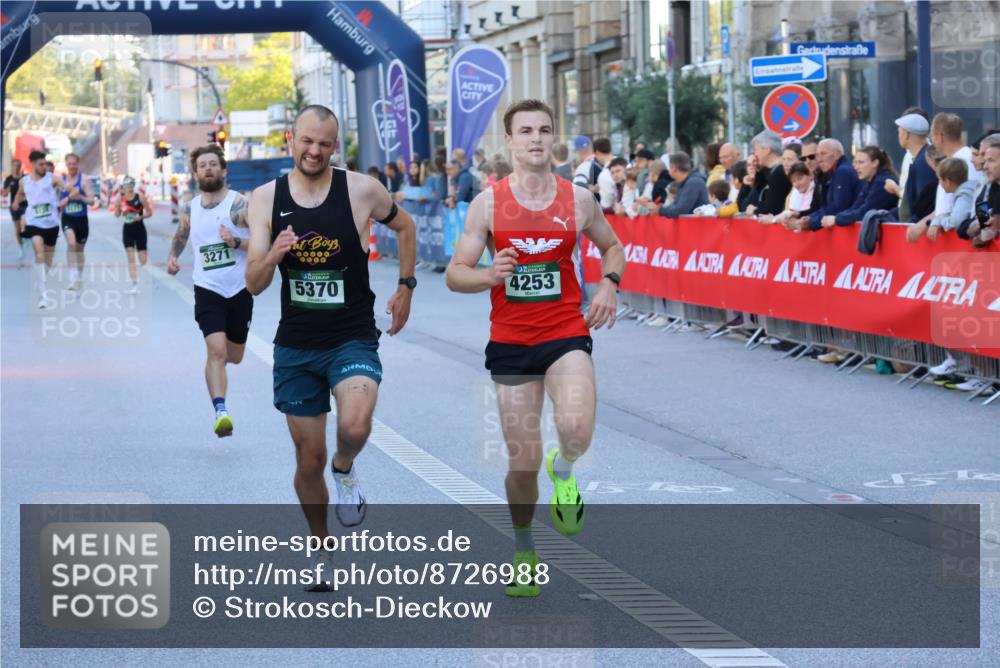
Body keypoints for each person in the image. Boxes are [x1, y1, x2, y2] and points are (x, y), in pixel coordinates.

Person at [445, 98, 624, 598]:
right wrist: (487, 274)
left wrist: (609, 283)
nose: (536, 139)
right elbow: (457, 275)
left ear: (554, 138)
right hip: (511, 342)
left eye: (544, 130)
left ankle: (563, 470)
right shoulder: (488, 204)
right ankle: (524, 550)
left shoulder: (578, 199)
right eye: (525, 131)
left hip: (565, 331)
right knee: (521, 463)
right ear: (510, 141)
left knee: (576, 428)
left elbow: (613, 245)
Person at [246, 105, 416, 580]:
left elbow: (406, 226)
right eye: (307, 141)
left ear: (334, 146)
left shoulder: (361, 190)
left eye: (324, 143)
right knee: (308, 459)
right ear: (290, 140)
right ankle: (320, 549)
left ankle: (346, 468)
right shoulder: (264, 199)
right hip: (297, 346)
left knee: (356, 426)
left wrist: (406, 284)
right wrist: (275, 253)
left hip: (352, 337)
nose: (315, 150)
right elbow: (255, 283)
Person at [167, 144, 253, 438]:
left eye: (213, 164)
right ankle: (221, 411)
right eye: (202, 165)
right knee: (215, 351)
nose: (207, 169)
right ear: (195, 172)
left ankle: (217, 371)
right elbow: (181, 235)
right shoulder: (190, 207)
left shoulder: (239, 205)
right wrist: (173, 256)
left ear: (223, 170)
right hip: (208, 289)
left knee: (234, 355)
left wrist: (237, 243)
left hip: (239, 289)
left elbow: (264, 244)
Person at [12, 150, 67, 308]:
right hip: (34, 223)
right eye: (41, 164)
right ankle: (43, 295)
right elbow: (19, 194)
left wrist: (71, 191)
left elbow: (66, 186)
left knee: (48, 260)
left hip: (51, 224)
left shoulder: (53, 178)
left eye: (45, 164)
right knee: (39, 252)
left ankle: (41, 278)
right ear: (33, 164)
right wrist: (16, 202)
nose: (44, 167)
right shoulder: (24, 181)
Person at [819, 146, 898, 228]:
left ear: (875, 163)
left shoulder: (882, 182)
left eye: (860, 162)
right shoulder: (870, 182)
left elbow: (865, 212)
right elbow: (855, 208)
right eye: (855, 162)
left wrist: (836, 219)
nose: (856, 167)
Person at [790, 139, 860, 232]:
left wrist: (811, 221)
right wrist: (804, 216)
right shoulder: (829, 174)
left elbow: (838, 208)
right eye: (817, 155)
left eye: (823, 154)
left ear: (837, 154)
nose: (819, 159)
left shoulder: (842, 172)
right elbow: (824, 207)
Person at [907, 158, 978, 242]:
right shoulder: (965, 192)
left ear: (948, 181)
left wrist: (939, 220)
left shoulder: (964, 195)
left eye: (940, 179)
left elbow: (954, 222)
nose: (939, 183)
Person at [886, 112, 937, 223]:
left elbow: (922, 204)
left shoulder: (923, 162)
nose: (898, 136)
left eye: (899, 132)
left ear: (906, 135)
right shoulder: (924, 158)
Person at [58, 153, 96, 291]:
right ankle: (72, 277)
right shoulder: (61, 180)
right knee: (71, 243)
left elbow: (91, 201)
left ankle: (79, 275)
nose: (72, 166)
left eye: (74, 163)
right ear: (66, 164)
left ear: (78, 164)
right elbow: (55, 200)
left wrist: (80, 197)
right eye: (69, 163)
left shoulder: (84, 180)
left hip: (81, 220)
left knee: (80, 251)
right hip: (68, 218)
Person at [114, 176, 153, 294]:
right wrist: (117, 209)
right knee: (130, 258)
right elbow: (117, 215)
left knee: (143, 260)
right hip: (127, 230)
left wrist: (141, 217)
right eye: (126, 183)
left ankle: (141, 258)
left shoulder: (140, 197)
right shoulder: (120, 199)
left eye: (131, 182)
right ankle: (134, 284)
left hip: (140, 229)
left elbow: (150, 213)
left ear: (134, 184)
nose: (129, 185)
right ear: (123, 185)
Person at [744, 130, 792, 216]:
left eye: (756, 150)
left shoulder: (779, 173)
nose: (755, 154)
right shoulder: (771, 172)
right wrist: (758, 170)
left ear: (767, 150)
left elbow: (773, 208)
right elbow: (749, 202)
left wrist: (755, 210)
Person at [659, 152, 708, 217]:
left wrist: (660, 210)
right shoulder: (685, 182)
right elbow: (676, 205)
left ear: (674, 168)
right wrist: (662, 209)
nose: (668, 171)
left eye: (669, 168)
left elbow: (681, 210)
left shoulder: (693, 183)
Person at [2, 159, 28, 259]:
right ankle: (20, 248)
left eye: (18, 165)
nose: (16, 167)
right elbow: (4, 194)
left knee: (25, 222)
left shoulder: (25, 178)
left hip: (25, 205)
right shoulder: (8, 179)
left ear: (20, 166)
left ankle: (26, 233)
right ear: (12, 166)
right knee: (17, 229)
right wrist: (7, 189)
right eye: (14, 165)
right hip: (14, 206)